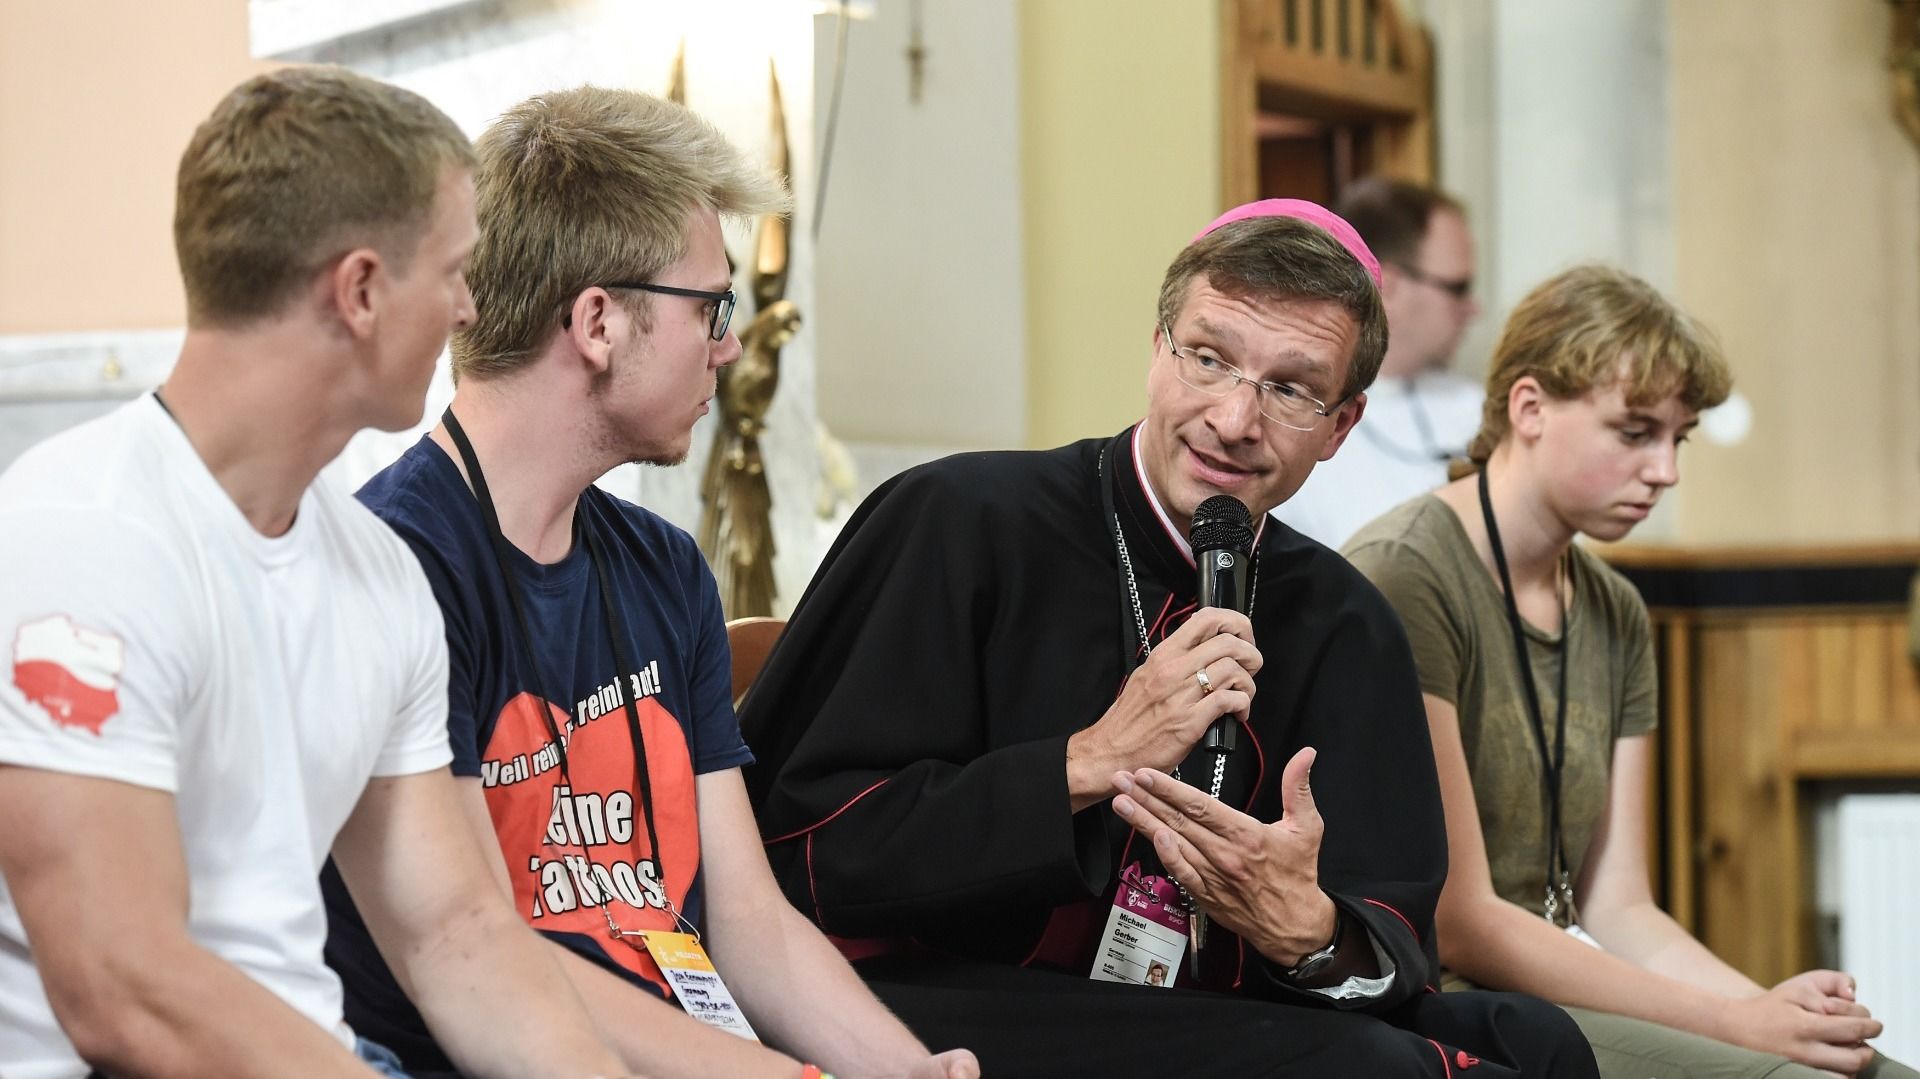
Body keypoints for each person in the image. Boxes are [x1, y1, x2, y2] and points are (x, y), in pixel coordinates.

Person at [740, 199, 1599, 1078]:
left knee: (1538, 1042)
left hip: (1206, 1011)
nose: (1234, 418)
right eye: (1209, 358)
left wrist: (1308, 932)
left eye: (1292, 388)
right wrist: (1083, 762)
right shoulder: (956, 522)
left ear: (1343, 425)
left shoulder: (1347, 622)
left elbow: (1388, 931)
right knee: (1379, 1070)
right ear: (1158, 350)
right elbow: (794, 851)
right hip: (949, 997)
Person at [321, 86, 977, 1079]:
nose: (731, 342)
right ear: (597, 321)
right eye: (713, 305)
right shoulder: (393, 566)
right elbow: (485, 953)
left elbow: (748, 916)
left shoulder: (664, 565)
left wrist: (907, 1068)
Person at [0, 67, 628, 1078]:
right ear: (363, 290)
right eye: (456, 270)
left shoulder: (380, 574)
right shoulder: (80, 536)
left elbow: (457, 931)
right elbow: (122, 988)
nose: (471, 308)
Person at [1344, 265, 1914, 1079]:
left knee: (1867, 1071)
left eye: (1676, 438)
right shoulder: (1406, 575)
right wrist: (1739, 1023)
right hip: (1442, 998)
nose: (1666, 470)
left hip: (1563, 989)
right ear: (1530, 407)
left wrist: (1774, 1010)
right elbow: (1463, 919)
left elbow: (1619, 905)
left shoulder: (1616, 609)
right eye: (1635, 430)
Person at [1277, 178, 1483, 548]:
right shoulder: (1298, 421)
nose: (1473, 309)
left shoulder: (1477, 405)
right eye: (1457, 288)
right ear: (1389, 285)